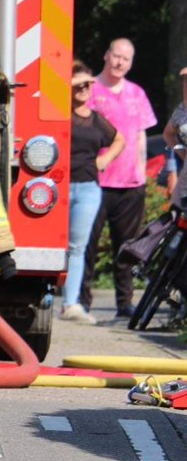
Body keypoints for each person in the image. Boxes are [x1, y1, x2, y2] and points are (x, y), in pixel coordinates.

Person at [84, 38, 157, 318]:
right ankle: (81, 301)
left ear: (130, 63)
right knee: (88, 244)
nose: (119, 63)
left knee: (126, 247)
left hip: (129, 184)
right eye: (116, 56)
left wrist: (142, 170)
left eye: (125, 59)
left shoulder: (137, 94)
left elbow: (140, 135)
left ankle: (124, 303)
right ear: (106, 55)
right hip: (95, 181)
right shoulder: (89, 89)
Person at [64, 62, 124, 324]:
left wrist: (105, 160)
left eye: (89, 84)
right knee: (55, 246)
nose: (85, 89)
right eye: (79, 84)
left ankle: (70, 304)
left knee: (77, 247)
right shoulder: (60, 115)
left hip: (88, 188)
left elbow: (120, 139)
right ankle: (44, 296)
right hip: (59, 186)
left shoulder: (96, 120)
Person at [163, 66, 187, 209]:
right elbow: (168, 134)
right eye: (185, 81)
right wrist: (181, 154)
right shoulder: (181, 110)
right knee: (177, 213)